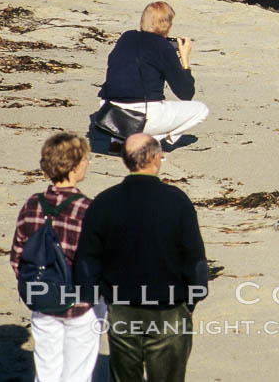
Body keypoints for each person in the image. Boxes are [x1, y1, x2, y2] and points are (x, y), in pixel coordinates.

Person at [74, 133, 208, 382]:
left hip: (122, 307)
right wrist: (195, 295)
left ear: (125, 160)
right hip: (169, 307)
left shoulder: (105, 201)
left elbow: (88, 259)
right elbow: (194, 257)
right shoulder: (176, 200)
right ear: (156, 158)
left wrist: (93, 295)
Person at [10, 132, 104, 382]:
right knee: (77, 373)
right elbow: (98, 259)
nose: (87, 164)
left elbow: (17, 255)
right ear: (74, 167)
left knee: (47, 369)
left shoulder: (33, 204)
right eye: (85, 160)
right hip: (80, 304)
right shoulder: (87, 208)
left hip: (42, 298)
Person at [98, 1, 208, 148]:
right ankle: (148, 142)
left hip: (110, 111)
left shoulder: (126, 37)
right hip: (143, 114)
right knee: (201, 110)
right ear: (167, 25)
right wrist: (184, 60)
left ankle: (118, 140)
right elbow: (186, 93)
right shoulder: (163, 47)